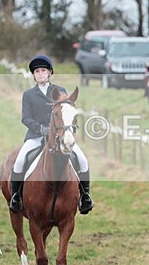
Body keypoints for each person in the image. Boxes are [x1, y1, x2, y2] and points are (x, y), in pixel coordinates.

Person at [8, 55, 93, 214]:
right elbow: (25, 118)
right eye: (37, 71)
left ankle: (85, 196)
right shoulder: (29, 94)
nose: (40, 73)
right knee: (20, 161)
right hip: (36, 136)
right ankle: (16, 196)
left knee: (82, 160)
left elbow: (67, 112)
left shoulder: (60, 91)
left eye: (43, 71)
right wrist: (41, 129)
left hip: (60, 136)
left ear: (50, 73)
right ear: (34, 75)